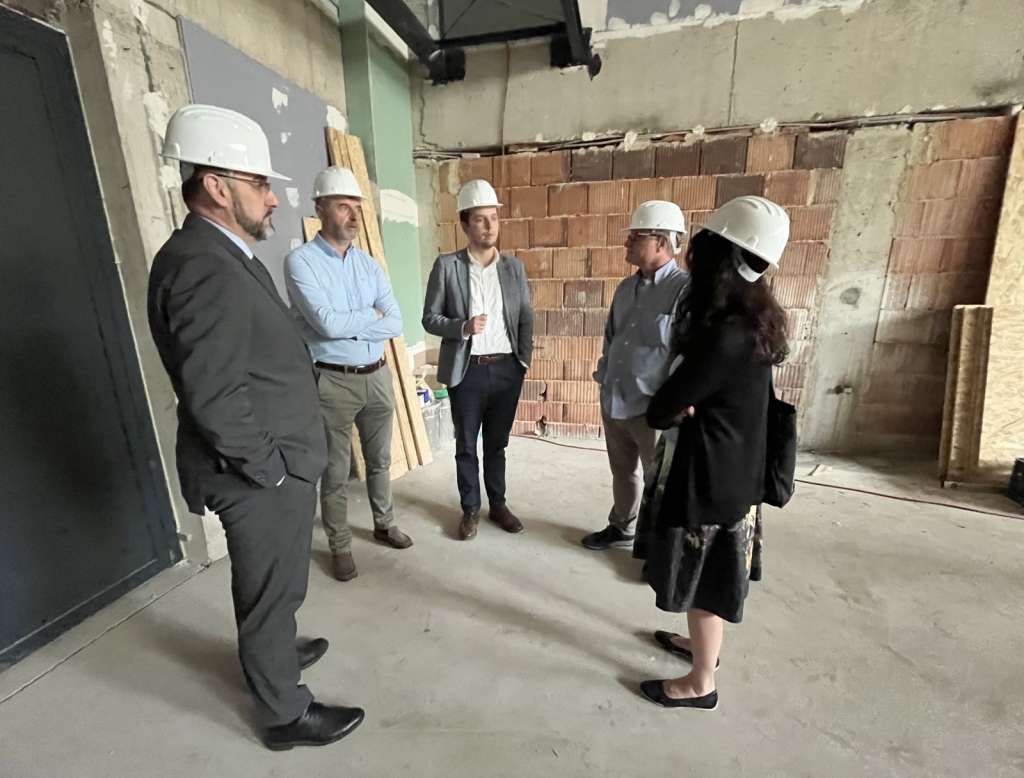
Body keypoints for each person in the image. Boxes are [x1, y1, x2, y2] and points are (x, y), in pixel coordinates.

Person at [147, 104, 364, 749]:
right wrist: (270, 470)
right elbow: (213, 394)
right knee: (269, 589)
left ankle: (274, 654)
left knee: (276, 583)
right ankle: (284, 714)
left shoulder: (220, 253)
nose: (273, 199)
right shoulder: (202, 265)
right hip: (256, 470)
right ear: (217, 187)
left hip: (273, 460)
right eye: (261, 184)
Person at [631, 196, 791, 710]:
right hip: (736, 470)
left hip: (712, 481)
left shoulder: (725, 335)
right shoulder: (754, 319)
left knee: (703, 583)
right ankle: (702, 648)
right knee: (708, 577)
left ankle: (701, 682)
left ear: (722, 256)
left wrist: (679, 403)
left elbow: (661, 410)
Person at [285, 166, 412, 584]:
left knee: (380, 461)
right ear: (320, 208)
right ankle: (339, 545)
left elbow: (395, 322)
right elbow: (325, 324)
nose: (354, 215)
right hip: (333, 380)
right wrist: (368, 317)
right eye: (343, 206)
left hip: (378, 375)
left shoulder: (369, 266)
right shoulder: (301, 263)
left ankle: (384, 523)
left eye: (357, 207)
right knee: (335, 471)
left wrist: (350, 323)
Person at [421, 179, 534, 540]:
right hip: (467, 370)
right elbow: (429, 318)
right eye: (480, 219)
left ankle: (497, 505)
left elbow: (525, 317)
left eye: (494, 218)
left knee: (497, 444)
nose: (489, 226)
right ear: (465, 224)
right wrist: (463, 327)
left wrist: (523, 362)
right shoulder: (447, 266)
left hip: (506, 370)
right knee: (466, 446)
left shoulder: (513, 268)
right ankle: (470, 508)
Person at [582, 201, 690, 551]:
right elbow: (611, 338)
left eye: (635, 236)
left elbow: (687, 355)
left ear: (661, 242)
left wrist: (675, 403)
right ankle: (622, 526)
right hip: (615, 398)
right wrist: (604, 379)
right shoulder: (626, 288)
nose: (626, 242)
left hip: (653, 409)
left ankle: (660, 548)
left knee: (660, 481)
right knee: (623, 472)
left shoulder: (685, 290)